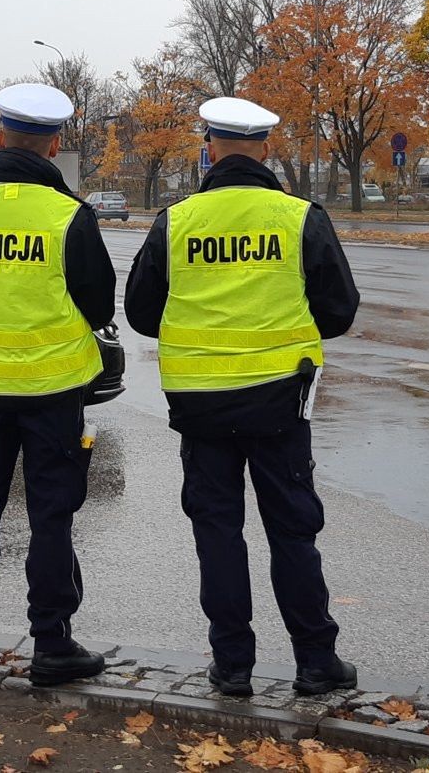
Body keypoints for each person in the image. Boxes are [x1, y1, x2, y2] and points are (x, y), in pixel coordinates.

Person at [124, 96, 360, 698]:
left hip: (201, 406)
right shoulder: (299, 217)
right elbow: (338, 310)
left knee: (218, 533)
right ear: (266, 149)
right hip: (280, 402)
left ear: (208, 148)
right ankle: (315, 662)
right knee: (292, 531)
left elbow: (143, 314)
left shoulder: (177, 221)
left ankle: (231, 667)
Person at [0, 82, 116, 687]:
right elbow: (99, 304)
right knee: (51, 519)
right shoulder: (69, 216)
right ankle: (52, 645)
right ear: (54, 144)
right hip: (54, 391)